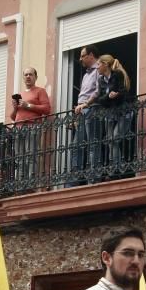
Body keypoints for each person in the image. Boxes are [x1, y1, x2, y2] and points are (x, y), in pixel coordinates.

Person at [90, 54, 133, 177]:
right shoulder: (100, 80)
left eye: (98, 64)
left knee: (114, 138)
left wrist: (117, 94)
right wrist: (108, 97)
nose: (97, 68)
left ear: (105, 64)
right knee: (110, 141)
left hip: (124, 112)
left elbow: (125, 91)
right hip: (110, 114)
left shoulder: (117, 75)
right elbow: (100, 99)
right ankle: (116, 168)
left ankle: (117, 168)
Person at [9, 67, 52, 185]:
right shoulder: (21, 94)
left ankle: (30, 182)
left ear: (35, 77)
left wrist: (28, 105)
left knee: (30, 155)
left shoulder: (40, 91)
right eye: (26, 75)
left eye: (31, 74)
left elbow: (47, 109)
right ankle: (20, 182)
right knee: (19, 157)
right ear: (23, 78)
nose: (28, 76)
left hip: (32, 127)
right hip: (18, 128)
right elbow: (13, 117)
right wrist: (15, 108)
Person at [68, 44, 100, 185]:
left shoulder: (99, 69)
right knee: (76, 145)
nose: (80, 59)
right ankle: (75, 179)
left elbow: (99, 91)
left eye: (82, 56)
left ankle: (93, 177)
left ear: (91, 55)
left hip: (92, 109)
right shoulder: (87, 73)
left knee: (93, 143)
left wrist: (85, 104)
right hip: (81, 111)